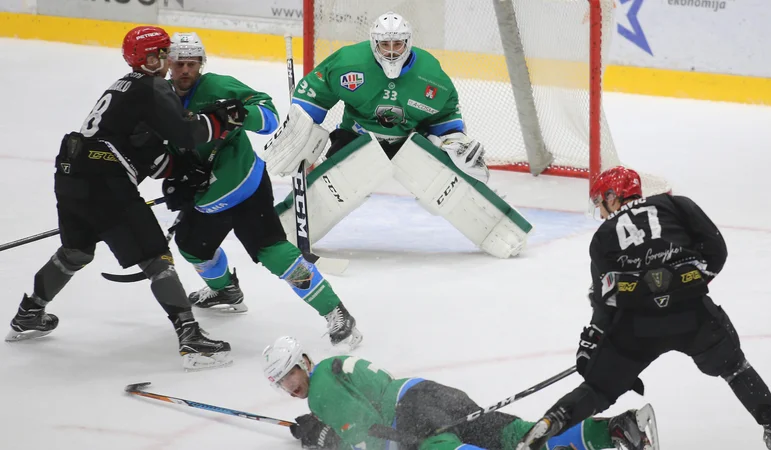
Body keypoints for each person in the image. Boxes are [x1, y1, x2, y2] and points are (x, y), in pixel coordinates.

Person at [5, 26, 245, 371]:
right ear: (140, 60)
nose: (162, 61)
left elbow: (143, 149)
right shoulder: (152, 86)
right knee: (156, 257)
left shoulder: (123, 88)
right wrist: (221, 120)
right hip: (105, 181)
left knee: (76, 250)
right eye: (155, 56)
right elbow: (186, 134)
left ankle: (30, 312)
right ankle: (191, 338)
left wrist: (180, 170)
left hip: (72, 173)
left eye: (163, 54)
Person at [518, 167, 771, 450]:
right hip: (692, 316)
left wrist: (593, 341)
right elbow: (716, 250)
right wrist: (692, 281)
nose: (600, 212)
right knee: (735, 369)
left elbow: (604, 300)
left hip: (637, 327)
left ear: (613, 197)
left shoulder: (602, 236)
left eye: (600, 201)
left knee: (597, 390)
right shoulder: (675, 205)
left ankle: (554, 420)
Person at [262, 11, 532, 260]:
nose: (391, 52)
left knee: (443, 184)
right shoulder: (348, 62)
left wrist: (453, 142)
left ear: (408, 43)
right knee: (340, 183)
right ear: (373, 43)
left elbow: (444, 118)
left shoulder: (431, 76)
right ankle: (280, 233)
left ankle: (499, 229)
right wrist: (303, 123)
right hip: (357, 137)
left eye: (397, 45)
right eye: (385, 45)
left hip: (408, 142)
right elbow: (315, 90)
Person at [166, 32, 362, 348]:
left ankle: (335, 311)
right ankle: (226, 289)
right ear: (168, 63)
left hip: (246, 186)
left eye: (192, 63)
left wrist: (240, 114)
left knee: (275, 253)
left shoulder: (217, 86)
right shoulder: (161, 97)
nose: (185, 70)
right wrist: (173, 175)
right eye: (178, 63)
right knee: (192, 248)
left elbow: (269, 119)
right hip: (206, 198)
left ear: (201, 64)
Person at [261, 336, 659, 450]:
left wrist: (326, 438)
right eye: (281, 383)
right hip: (429, 392)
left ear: (304, 361)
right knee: (513, 435)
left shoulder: (320, 395)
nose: (290, 386)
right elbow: (359, 407)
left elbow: (365, 433)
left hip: (409, 419)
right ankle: (617, 430)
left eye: (289, 375)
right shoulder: (333, 368)